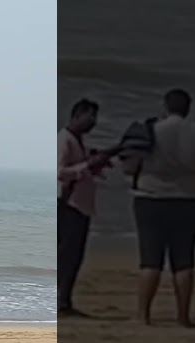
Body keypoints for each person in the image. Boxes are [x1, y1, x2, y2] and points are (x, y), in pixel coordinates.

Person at [122, 88, 195, 327]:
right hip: (189, 200)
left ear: (165, 106)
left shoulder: (151, 130)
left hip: (151, 198)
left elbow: (129, 167)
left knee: (150, 259)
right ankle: (183, 316)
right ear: (188, 108)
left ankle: (143, 315)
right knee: (184, 260)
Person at [58, 98, 110, 317]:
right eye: (90, 116)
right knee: (67, 255)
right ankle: (61, 302)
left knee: (73, 256)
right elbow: (59, 171)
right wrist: (87, 165)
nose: (93, 122)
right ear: (77, 115)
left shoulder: (76, 140)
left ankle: (64, 300)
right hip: (68, 204)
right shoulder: (65, 140)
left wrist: (93, 165)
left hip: (79, 204)